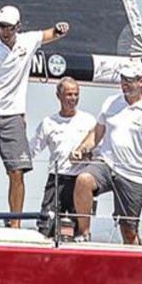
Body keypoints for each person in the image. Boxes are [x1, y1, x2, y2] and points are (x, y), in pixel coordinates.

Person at [0, 5, 69, 227]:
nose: (5, 31)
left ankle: (16, 223)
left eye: (10, 27)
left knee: (17, 172)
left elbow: (51, 34)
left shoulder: (27, 41)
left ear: (18, 26)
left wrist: (60, 28)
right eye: (1, 26)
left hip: (13, 117)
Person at [70, 60, 142, 244]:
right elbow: (97, 131)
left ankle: (136, 265)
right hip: (108, 163)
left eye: (130, 80)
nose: (125, 83)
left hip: (133, 174)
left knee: (128, 231)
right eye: (123, 79)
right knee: (83, 180)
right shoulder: (111, 102)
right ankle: (84, 234)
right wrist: (81, 149)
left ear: (141, 81)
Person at [30, 77, 96, 239]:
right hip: (56, 179)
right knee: (46, 226)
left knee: (79, 230)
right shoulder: (48, 123)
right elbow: (32, 149)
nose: (73, 99)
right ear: (58, 96)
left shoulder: (89, 120)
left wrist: (85, 155)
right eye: (68, 94)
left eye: (76, 94)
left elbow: (99, 150)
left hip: (80, 181)